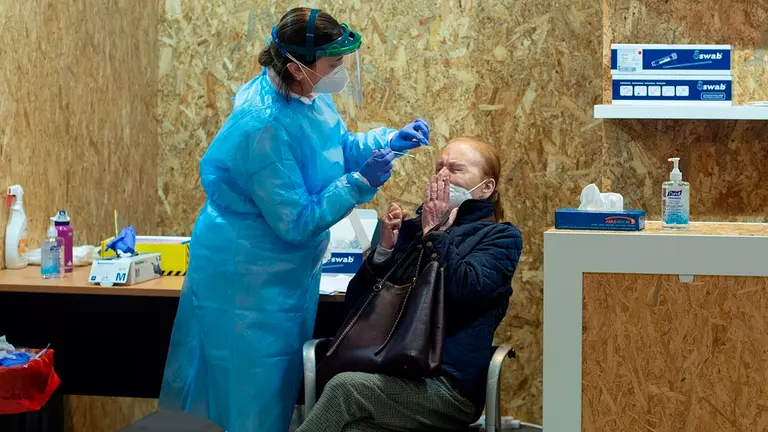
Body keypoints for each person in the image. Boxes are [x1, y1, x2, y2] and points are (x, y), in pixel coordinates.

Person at [158, 8, 430, 432]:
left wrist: (387, 141)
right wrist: (360, 183)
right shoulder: (263, 126)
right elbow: (297, 220)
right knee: (246, 396)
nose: (339, 73)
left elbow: (335, 147)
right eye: (333, 65)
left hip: (283, 273)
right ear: (295, 67)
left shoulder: (306, 97)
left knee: (277, 391)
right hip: (244, 276)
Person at [296, 137, 523, 432]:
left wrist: (436, 234)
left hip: (447, 386)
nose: (443, 175)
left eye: (455, 169)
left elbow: (466, 291)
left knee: (345, 388)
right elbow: (358, 308)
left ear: (486, 188)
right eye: (439, 167)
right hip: (388, 369)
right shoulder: (414, 229)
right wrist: (385, 251)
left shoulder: (500, 238)